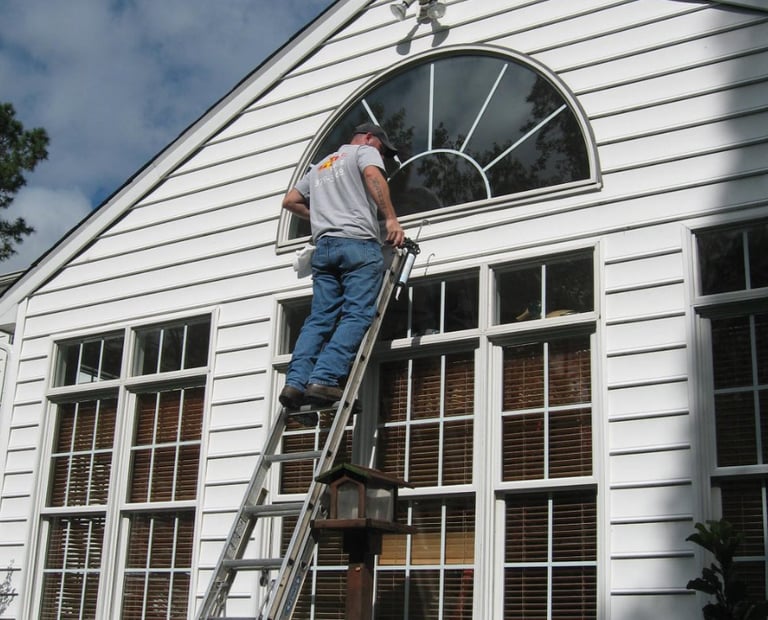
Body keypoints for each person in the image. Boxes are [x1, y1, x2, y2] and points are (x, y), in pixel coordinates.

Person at [279, 123, 405, 411]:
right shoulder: (363, 152)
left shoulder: (321, 166)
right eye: (382, 150)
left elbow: (290, 201)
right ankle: (324, 378)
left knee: (319, 319)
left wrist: (323, 215)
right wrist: (390, 219)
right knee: (357, 314)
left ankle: (295, 383)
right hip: (356, 244)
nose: (381, 156)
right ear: (369, 138)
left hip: (324, 249)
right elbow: (372, 175)